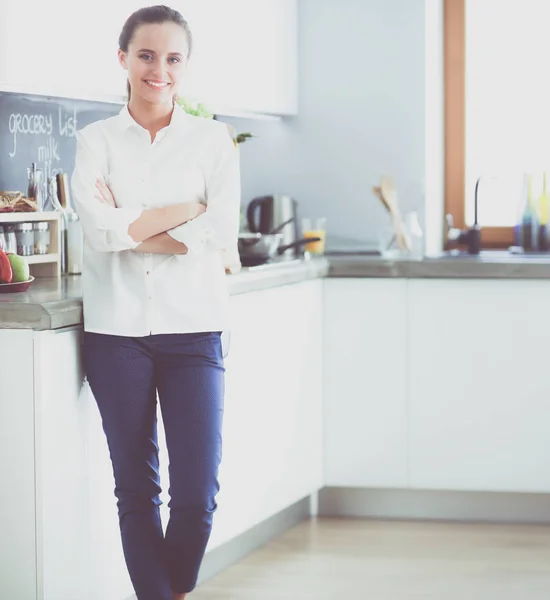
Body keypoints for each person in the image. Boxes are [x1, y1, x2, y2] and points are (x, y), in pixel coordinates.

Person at [70, 5, 241, 600]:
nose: (158, 70)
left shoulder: (213, 139)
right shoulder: (94, 141)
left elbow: (220, 228)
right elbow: (97, 231)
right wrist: (183, 215)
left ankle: (172, 590)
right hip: (116, 335)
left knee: (197, 495)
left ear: (185, 65)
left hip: (194, 333)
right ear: (123, 59)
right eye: (146, 55)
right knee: (136, 492)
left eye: (172, 58)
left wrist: (133, 224)